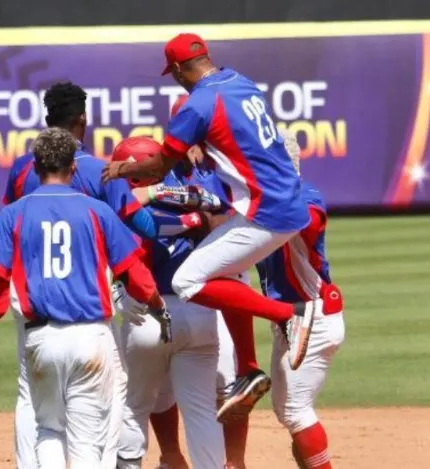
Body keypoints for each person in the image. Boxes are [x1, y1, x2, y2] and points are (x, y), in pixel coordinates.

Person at [101, 32, 320, 372]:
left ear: (176, 69)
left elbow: (160, 165)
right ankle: (247, 369)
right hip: (288, 200)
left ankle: (288, 316)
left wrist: (121, 169)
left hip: (265, 210)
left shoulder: (198, 104)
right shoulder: (240, 81)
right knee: (228, 272)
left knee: (186, 281)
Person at [0, 127, 170, 469]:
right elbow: (136, 276)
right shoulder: (97, 211)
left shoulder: (14, 213)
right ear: (74, 167)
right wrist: (158, 307)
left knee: (48, 429)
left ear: (35, 167)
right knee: (88, 441)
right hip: (91, 337)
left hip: (40, 339)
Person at [2, 82, 155, 469]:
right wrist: (158, 198)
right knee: (101, 396)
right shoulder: (98, 170)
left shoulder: (23, 169)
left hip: (31, 297)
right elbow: (142, 226)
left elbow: (10, 222)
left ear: (47, 118)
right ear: (83, 119)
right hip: (87, 299)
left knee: (31, 396)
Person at [111, 136, 229, 469]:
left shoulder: (121, 206)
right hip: (199, 312)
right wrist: (188, 220)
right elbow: (216, 205)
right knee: (203, 411)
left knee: (134, 406)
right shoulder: (190, 194)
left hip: (147, 315)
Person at [258, 130, 345, 469]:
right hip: (289, 318)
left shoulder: (303, 193)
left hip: (313, 315)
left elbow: (310, 221)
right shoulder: (261, 199)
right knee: (286, 411)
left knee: (295, 411)